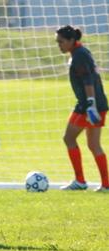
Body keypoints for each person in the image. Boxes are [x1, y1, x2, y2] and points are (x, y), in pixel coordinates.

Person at [55, 25, 109, 192]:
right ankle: (104, 184)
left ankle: (81, 181)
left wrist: (91, 104)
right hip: (91, 104)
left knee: (69, 139)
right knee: (93, 144)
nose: (59, 45)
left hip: (89, 105)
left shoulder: (79, 56)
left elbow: (88, 80)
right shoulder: (79, 53)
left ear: (72, 40)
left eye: (61, 41)